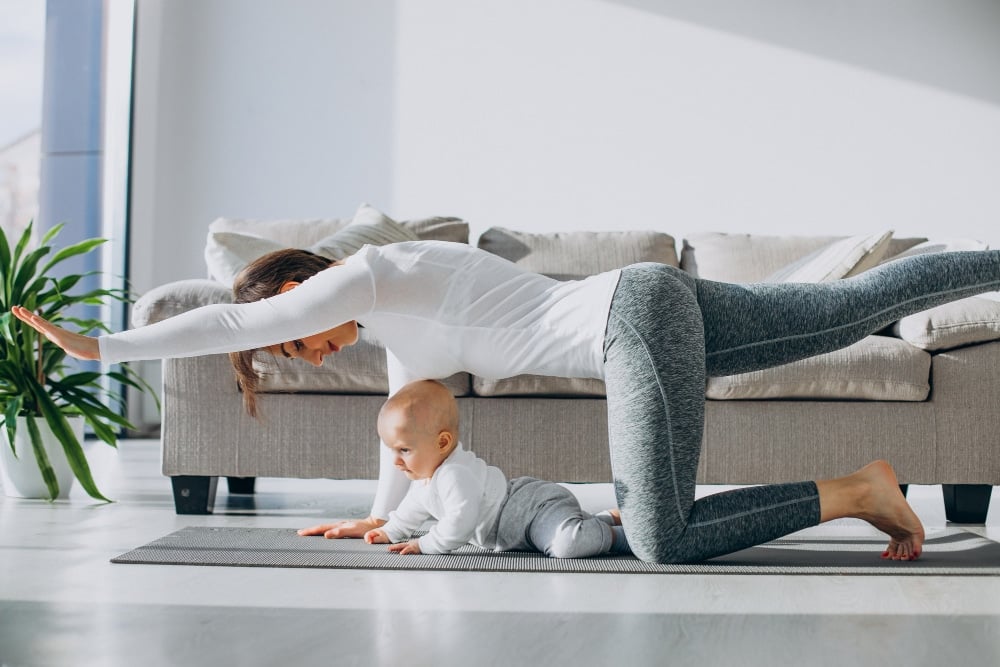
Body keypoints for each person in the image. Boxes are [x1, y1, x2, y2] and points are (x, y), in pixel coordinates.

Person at [13, 238, 1000, 563]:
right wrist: (380, 514)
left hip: (634, 319)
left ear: (294, 290)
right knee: (848, 310)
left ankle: (860, 487)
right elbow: (411, 441)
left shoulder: (372, 267)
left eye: (287, 330)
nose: (294, 347)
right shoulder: (403, 323)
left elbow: (230, 326)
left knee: (661, 537)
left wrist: (102, 344)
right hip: (652, 299)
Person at [361, 378, 630, 557]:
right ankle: (604, 518)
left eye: (404, 450)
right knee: (559, 537)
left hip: (532, 510)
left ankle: (624, 536)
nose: (396, 460)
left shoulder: (454, 474)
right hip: (519, 529)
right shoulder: (425, 480)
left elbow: (460, 521)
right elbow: (411, 510)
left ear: (442, 442)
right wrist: (391, 531)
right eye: (392, 450)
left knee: (567, 546)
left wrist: (425, 544)